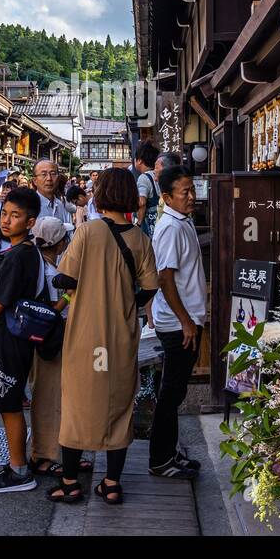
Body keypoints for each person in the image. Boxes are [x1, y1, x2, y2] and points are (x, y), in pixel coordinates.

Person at [45, 168, 158, 504]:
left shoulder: (88, 231)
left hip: (85, 336)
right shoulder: (140, 238)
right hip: (121, 338)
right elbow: (151, 286)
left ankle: (69, 482)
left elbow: (65, 277)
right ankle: (111, 483)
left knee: (77, 405)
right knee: (120, 406)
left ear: (102, 193)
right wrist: (127, 305)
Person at [0, 186, 46, 493]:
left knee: (10, 402)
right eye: (4, 214)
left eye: (15, 216)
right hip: (16, 333)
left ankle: (19, 471)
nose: (6, 221)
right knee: (11, 399)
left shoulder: (20, 255)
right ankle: (18, 462)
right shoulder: (25, 251)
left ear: (30, 222)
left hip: (11, 334)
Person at [148, 164, 205, 479]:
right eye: (185, 192)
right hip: (177, 324)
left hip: (185, 319)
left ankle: (169, 453)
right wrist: (185, 321)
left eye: (192, 190)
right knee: (170, 394)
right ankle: (160, 461)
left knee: (175, 392)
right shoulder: (170, 227)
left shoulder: (182, 221)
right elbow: (164, 278)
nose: (192, 197)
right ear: (167, 197)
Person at [25, 216, 88, 477]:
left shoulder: (42, 263)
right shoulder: (50, 272)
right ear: (58, 242)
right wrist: (68, 294)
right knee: (49, 399)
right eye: (65, 237)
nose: (67, 240)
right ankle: (44, 456)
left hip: (45, 340)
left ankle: (58, 454)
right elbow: (51, 310)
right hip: (51, 340)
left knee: (54, 397)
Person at [32, 160, 74, 238]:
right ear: (35, 181)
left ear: (58, 178)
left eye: (53, 174)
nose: (49, 178)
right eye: (43, 174)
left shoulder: (61, 205)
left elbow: (69, 233)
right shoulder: (29, 206)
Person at [133, 140, 160, 237]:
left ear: (139, 160)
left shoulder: (143, 178)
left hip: (149, 226)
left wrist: (139, 222)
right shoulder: (159, 175)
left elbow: (142, 202)